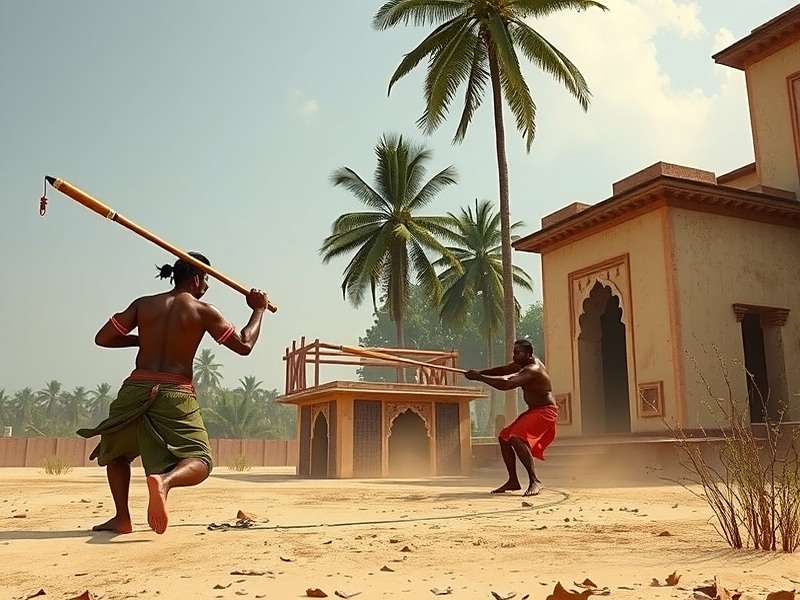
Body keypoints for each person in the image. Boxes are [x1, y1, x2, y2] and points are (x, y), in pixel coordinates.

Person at [78, 252, 269, 534]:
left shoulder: (143, 305)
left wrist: (142, 339)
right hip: (175, 391)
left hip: (135, 388)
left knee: (117, 454)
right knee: (201, 460)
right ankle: (164, 483)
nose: (207, 286)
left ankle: (122, 517)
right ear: (196, 278)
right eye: (206, 279)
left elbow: (103, 337)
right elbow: (244, 345)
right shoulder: (203, 311)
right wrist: (259, 309)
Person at [465, 339, 557, 496]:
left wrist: (480, 378)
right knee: (504, 437)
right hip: (534, 410)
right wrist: (480, 373)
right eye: (513, 352)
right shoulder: (522, 364)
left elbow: (507, 383)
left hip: (545, 412)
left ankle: (535, 481)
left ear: (529, 354)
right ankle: (513, 481)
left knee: (516, 438)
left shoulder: (532, 369)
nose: (514, 356)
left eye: (517, 353)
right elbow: (503, 370)